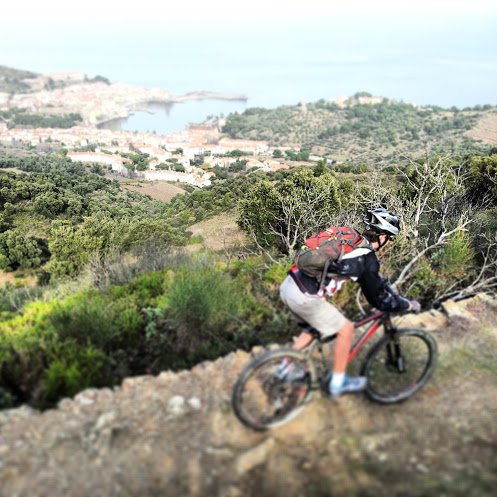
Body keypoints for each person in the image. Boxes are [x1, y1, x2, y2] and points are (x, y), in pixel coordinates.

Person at [279, 208, 420, 397]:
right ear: (383, 236)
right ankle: (338, 383)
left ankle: (285, 367)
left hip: (289, 285)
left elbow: (358, 271)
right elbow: (377, 299)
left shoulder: (350, 237)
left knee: (313, 329)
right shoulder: (366, 258)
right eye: (389, 238)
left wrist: (375, 278)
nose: (388, 242)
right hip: (304, 296)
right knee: (346, 329)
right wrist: (405, 305)